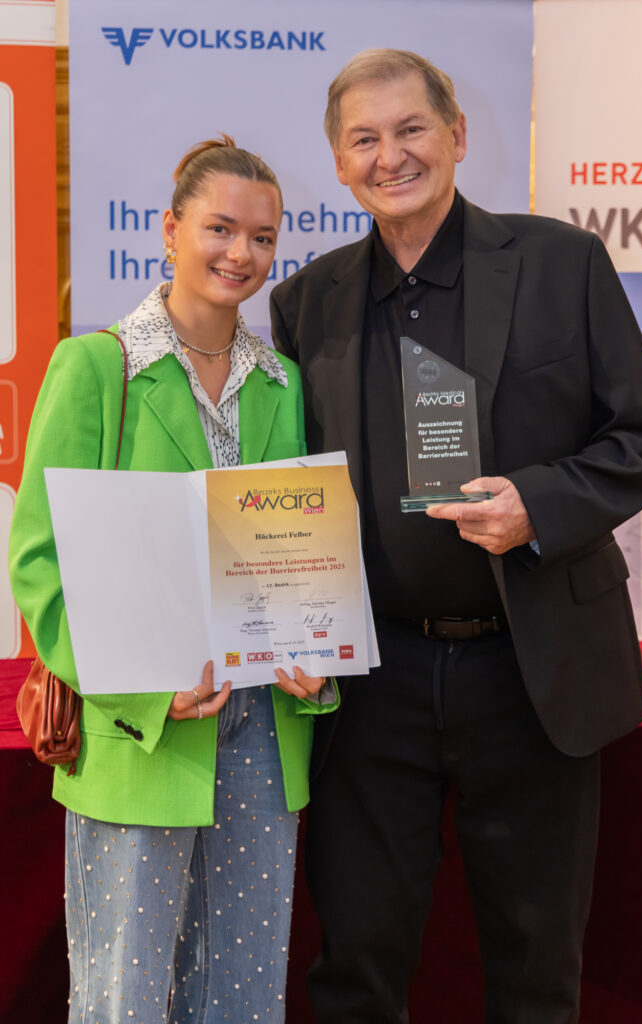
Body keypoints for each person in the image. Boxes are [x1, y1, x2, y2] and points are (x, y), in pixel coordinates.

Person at [269, 50, 642, 1024]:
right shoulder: (305, 301)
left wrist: (539, 503)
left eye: (409, 128)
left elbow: (639, 439)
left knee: (536, 973)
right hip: (373, 682)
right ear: (337, 162)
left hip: (529, 670)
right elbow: (287, 485)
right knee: (356, 962)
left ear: (455, 135)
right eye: (363, 138)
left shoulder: (557, 263)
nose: (389, 154)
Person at [9, 134, 336, 1024]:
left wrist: (313, 661)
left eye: (263, 238)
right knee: (123, 997)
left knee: (240, 993)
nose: (241, 254)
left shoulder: (283, 384)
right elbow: (38, 558)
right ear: (169, 230)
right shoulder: (97, 367)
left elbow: (295, 551)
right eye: (221, 228)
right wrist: (136, 686)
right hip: (139, 733)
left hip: (261, 739)